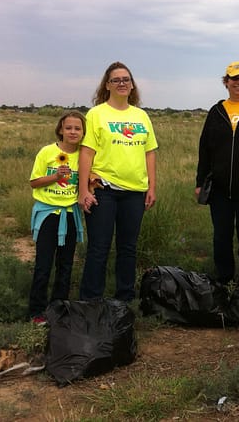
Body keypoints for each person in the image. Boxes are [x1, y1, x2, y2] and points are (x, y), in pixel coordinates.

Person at [77, 61, 158, 302]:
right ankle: (91, 301)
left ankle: (124, 300)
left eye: (126, 79)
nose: (122, 83)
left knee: (128, 248)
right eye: (116, 80)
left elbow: (149, 152)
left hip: (135, 192)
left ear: (132, 85)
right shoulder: (96, 114)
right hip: (104, 190)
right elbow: (86, 152)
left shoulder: (141, 116)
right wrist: (83, 189)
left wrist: (151, 187)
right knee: (98, 249)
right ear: (107, 85)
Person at [195, 61, 239, 283]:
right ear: (226, 82)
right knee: (221, 237)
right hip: (220, 189)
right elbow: (204, 148)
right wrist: (200, 181)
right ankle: (224, 279)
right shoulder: (216, 111)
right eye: (234, 79)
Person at [28, 110, 86, 324]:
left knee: (66, 264)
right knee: (44, 264)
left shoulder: (84, 154)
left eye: (77, 128)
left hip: (70, 214)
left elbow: (87, 180)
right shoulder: (46, 152)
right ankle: (36, 312)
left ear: (83, 132)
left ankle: (59, 308)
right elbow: (34, 182)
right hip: (48, 214)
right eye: (68, 127)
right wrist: (55, 177)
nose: (72, 132)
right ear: (60, 129)